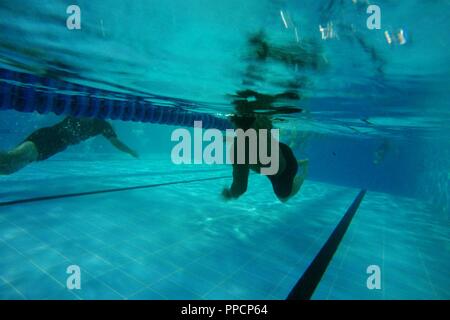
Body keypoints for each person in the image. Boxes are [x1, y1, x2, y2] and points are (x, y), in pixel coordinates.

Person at [0, 116, 138, 175]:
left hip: (51, 140)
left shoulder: (95, 119)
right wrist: (131, 151)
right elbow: (116, 142)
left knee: (8, 168)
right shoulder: (103, 124)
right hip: (50, 139)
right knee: (10, 160)